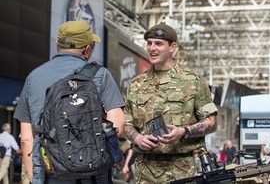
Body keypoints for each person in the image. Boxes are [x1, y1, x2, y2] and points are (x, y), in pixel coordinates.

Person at [13, 20, 126, 184]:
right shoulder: (100, 75)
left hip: (48, 175)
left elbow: (26, 139)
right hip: (92, 175)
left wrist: (35, 178)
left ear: (57, 43)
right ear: (87, 48)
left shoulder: (34, 77)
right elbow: (118, 126)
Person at [123, 23, 218, 183]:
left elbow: (211, 122)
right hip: (145, 170)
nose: (152, 48)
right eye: (149, 43)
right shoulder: (136, 84)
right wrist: (137, 138)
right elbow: (126, 122)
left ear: (172, 47)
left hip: (182, 170)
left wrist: (184, 132)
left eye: (158, 44)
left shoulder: (193, 81)